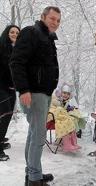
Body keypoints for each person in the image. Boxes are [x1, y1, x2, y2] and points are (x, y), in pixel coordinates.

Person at [9, 6, 61, 185]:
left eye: (58, 20)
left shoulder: (47, 38)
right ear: (43, 17)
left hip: (44, 93)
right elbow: (16, 61)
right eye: (52, 18)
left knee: (34, 135)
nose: (55, 22)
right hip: (34, 93)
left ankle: (33, 172)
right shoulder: (32, 32)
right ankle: (33, 178)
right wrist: (23, 89)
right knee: (39, 137)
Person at [0, 25, 20, 161]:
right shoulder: (1, 47)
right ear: (7, 33)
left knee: (8, 116)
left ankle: (0, 141)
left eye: (17, 33)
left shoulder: (19, 49)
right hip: (1, 86)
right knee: (4, 115)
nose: (14, 34)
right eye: (12, 32)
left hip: (12, 89)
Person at [48, 83, 86, 152]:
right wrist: (65, 108)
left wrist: (69, 108)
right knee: (67, 122)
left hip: (61, 115)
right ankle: (67, 145)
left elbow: (64, 108)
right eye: (64, 93)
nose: (66, 95)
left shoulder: (65, 101)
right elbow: (56, 107)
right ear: (60, 93)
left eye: (68, 94)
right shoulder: (56, 99)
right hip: (54, 117)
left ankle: (73, 143)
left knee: (72, 120)